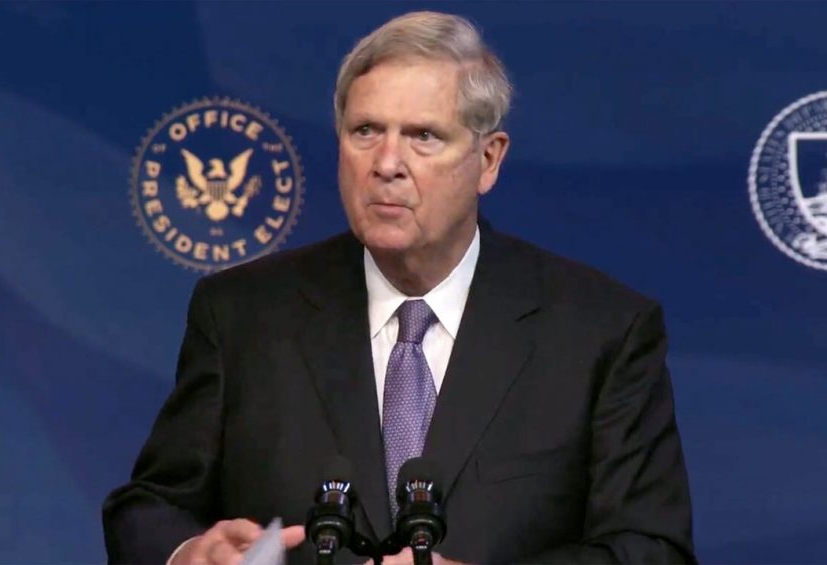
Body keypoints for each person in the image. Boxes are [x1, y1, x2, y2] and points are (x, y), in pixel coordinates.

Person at [103, 11, 695, 564]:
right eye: (365, 131)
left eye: (423, 136)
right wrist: (188, 553)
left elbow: (650, 548)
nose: (387, 163)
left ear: (488, 160)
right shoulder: (242, 315)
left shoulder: (600, 330)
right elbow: (149, 505)